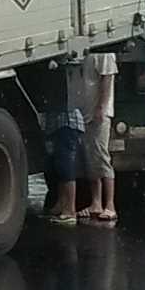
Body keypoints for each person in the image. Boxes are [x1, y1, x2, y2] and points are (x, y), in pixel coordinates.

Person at [79, 52, 118, 223]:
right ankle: (96, 202)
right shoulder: (87, 50)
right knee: (91, 158)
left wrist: (101, 107)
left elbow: (108, 77)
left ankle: (110, 205)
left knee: (102, 156)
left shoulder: (105, 53)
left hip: (99, 113)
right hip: (87, 113)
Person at [45, 91, 86, 226]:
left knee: (66, 165)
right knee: (59, 165)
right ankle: (62, 204)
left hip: (68, 122)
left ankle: (70, 210)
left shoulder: (65, 80)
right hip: (60, 123)